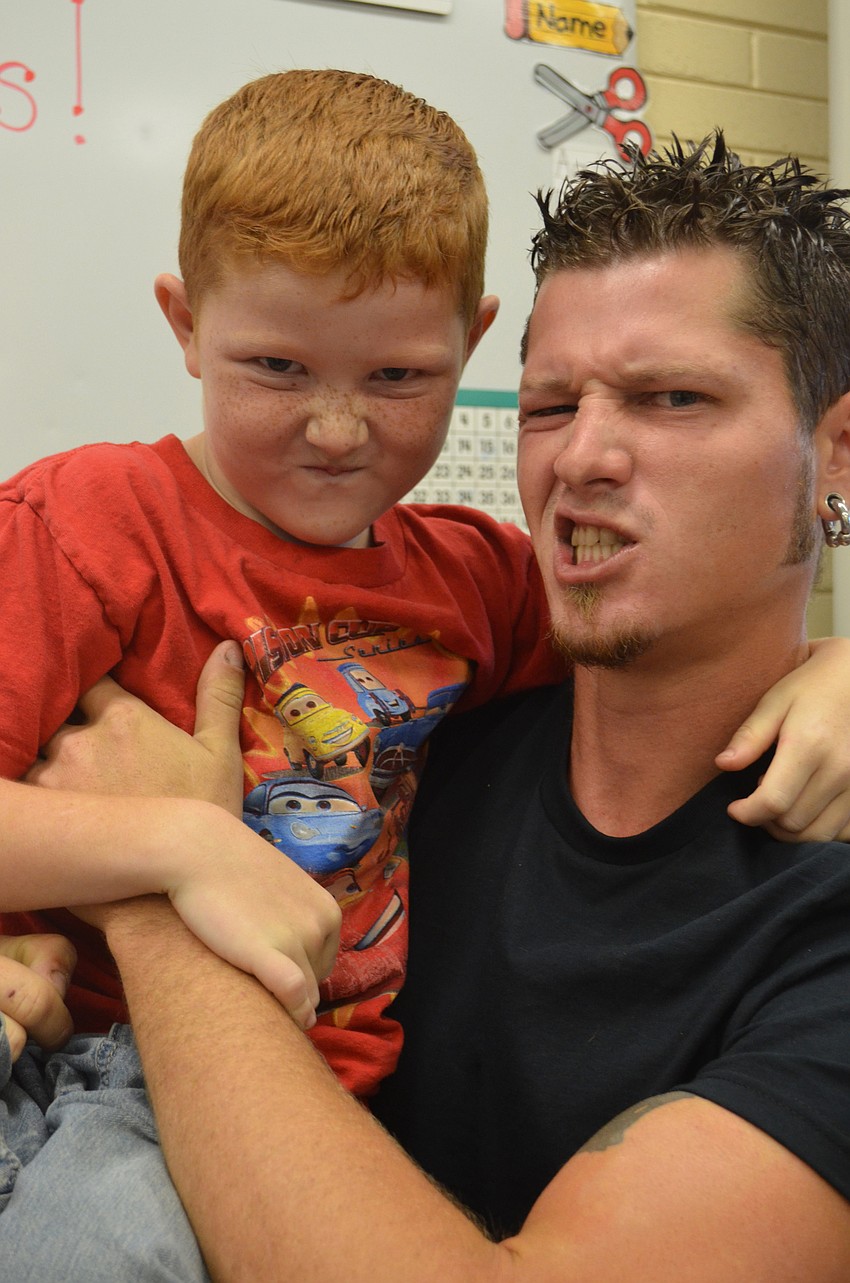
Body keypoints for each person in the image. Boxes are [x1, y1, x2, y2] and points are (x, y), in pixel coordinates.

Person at [24, 130, 850, 1282]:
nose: (585, 458)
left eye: (672, 397)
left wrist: (156, 892)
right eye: (551, 404)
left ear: (836, 451)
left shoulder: (821, 916)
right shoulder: (434, 746)